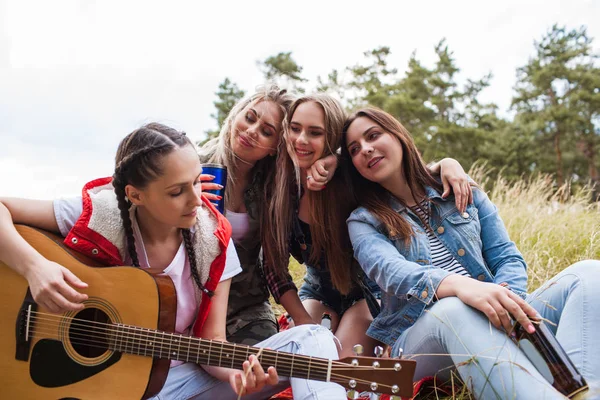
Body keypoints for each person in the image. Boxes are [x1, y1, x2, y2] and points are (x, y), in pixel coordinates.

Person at [0, 123, 346, 399]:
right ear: (135, 195)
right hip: (103, 383)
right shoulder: (103, 213)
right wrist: (35, 267)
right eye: (177, 191)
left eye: (197, 182)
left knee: (313, 340)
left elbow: (212, 342)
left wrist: (237, 377)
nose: (196, 199)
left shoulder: (213, 240)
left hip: (178, 379)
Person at [342, 107, 600, 399]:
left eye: (373, 135)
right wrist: (463, 287)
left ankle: (584, 393)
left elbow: (507, 257)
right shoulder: (363, 221)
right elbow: (393, 274)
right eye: (354, 149)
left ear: (398, 135)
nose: (365, 149)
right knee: (452, 309)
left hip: (492, 318)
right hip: (420, 337)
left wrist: (505, 305)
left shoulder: (461, 187)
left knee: (589, 273)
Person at [263, 94, 474, 359]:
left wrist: (446, 164)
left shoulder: (350, 178)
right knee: (304, 356)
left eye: (315, 132)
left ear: (332, 138)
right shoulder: (279, 189)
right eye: (294, 129)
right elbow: (274, 270)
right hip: (319, 293)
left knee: (341, 362)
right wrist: (304, 321)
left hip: (370, 294)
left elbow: (404, 178)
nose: (301, 140)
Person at [198, 85, 338, 346]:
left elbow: (274, 264)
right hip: (190, 302)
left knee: (267, 372)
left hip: (246, 309)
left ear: (276, 146)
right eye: (249, 118)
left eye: (267, 131)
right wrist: (178, 195)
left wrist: (306, 325)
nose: (252, 131)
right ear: (237, 114)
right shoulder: (193, 165)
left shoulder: (276, 186)